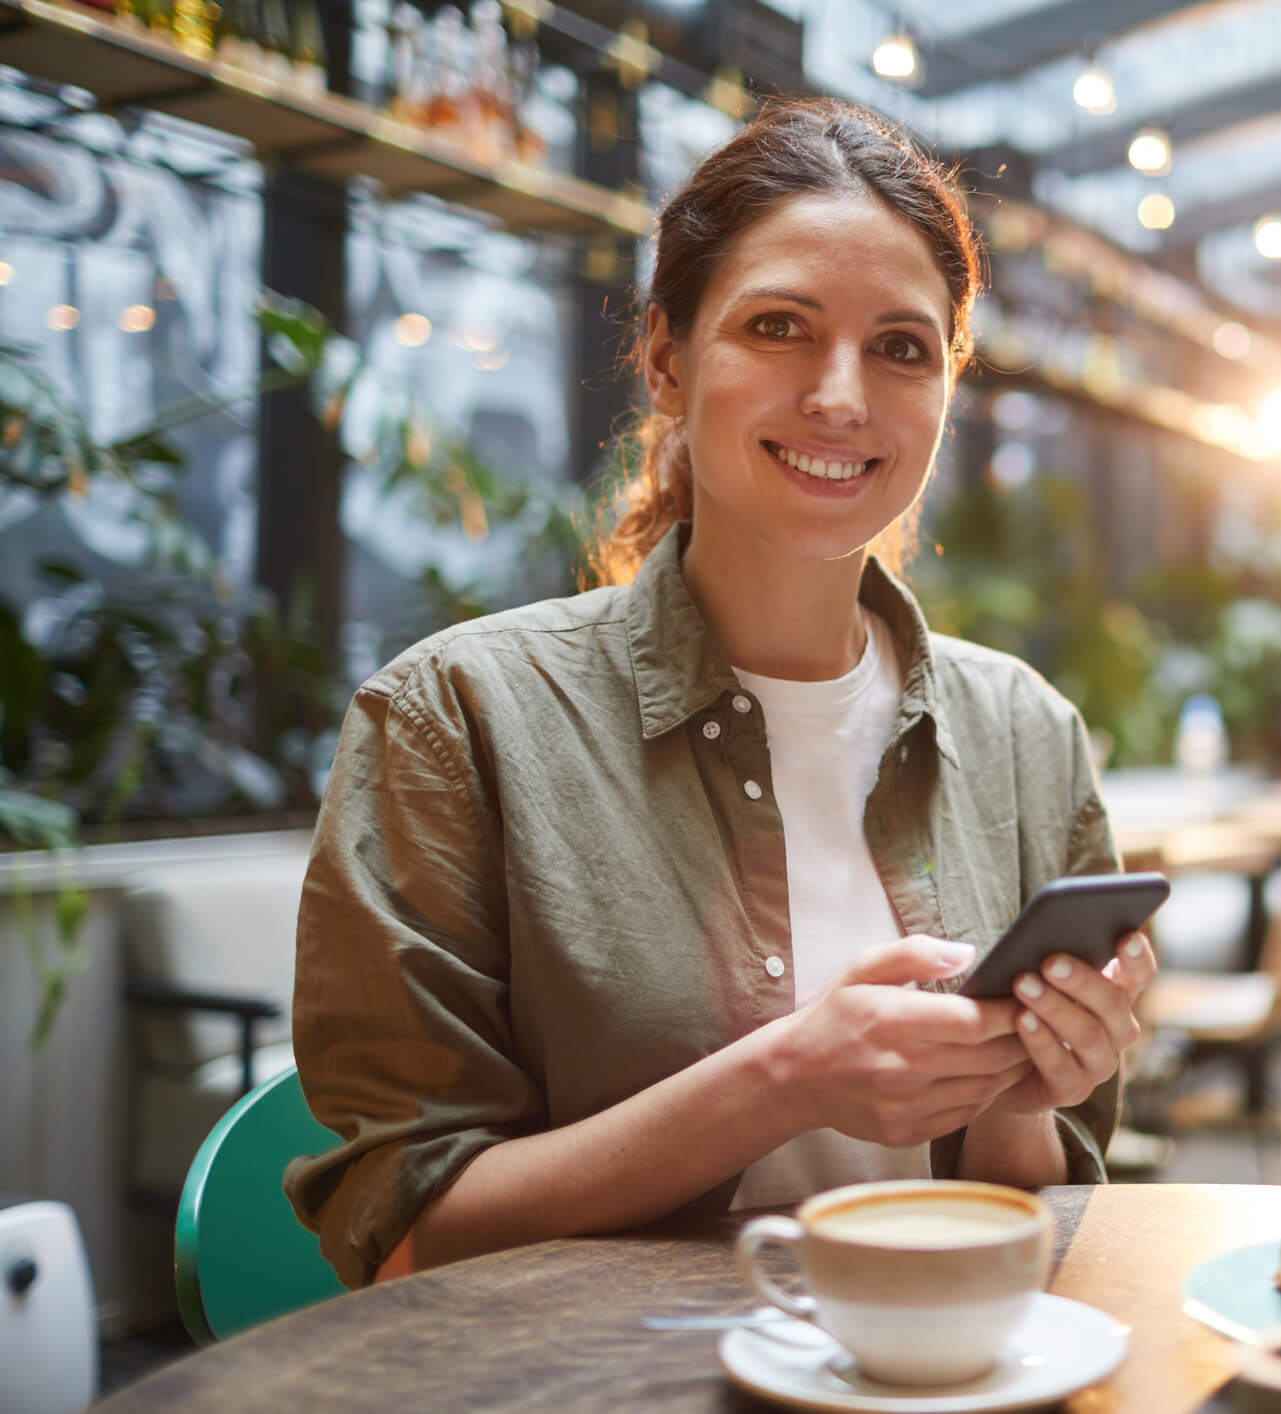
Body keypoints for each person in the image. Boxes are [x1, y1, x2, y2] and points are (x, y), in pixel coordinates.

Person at [284, 99, 1156, 1290]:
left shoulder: (1026, 734)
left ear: (948, 386)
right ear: (666, 357)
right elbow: (400, 1244)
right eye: (780, 326)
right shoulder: (456, 718)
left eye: (902, 346)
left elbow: (1025, 1219)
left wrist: (1019, 1092)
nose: (843, 398)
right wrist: (788, 1076)